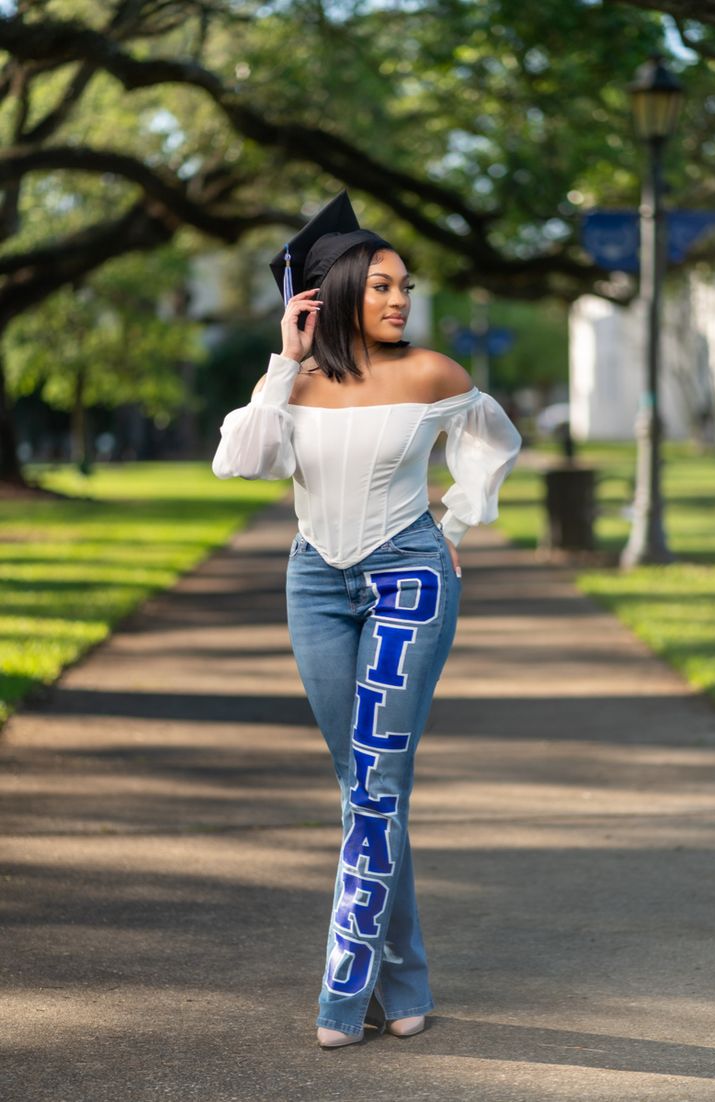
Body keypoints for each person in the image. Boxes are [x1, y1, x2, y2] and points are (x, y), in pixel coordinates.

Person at [212, 191, 522, 1049]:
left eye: (405, 287)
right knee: (363, 791)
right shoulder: (293, 385)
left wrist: (453, 525)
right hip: (313, 582)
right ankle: (407, 978)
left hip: (407, 581)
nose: (399, 299)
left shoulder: (430, 374)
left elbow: (494, 441)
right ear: (335, 292)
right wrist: (282, 360)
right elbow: (239, 461)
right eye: (382, 284)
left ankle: (343, 1000)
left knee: (377, 786)